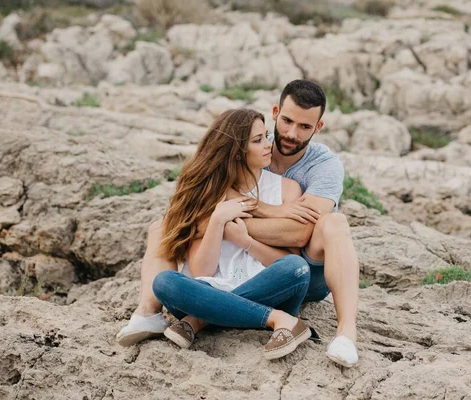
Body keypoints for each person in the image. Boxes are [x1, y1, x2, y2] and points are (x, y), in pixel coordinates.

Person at [117, 80, 360, 368]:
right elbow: (209, 180)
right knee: (162, 229)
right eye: (286, 121)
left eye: (304, 127)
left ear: (317, 128)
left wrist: (230, 228)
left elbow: (300, 232)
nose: (291, 133)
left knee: (334, 223)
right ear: (275, 112)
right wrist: (262, 212)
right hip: (239, 270)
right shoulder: (252, 142)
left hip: (303, 268)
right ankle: (148, 312)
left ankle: (346, 333)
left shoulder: (322, 166)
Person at [130, 108, 313, 359]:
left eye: (266, 136)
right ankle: (279, 319)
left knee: (297, 267)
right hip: (210, 289)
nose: (268, 145)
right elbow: (201, 271)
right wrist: (217, 222)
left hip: (269, 291)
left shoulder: (287, 188)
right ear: (236, 152)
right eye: (257, 140)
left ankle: (200, 321)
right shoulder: (208, 197)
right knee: (164, 283)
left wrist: (246, 241)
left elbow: (287, 262)